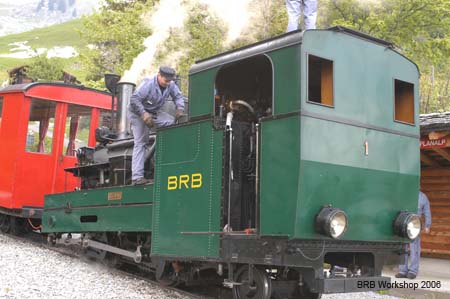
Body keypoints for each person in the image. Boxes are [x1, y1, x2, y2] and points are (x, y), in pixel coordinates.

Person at [128, 66, 185, 185]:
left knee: (171, 123)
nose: (167, 83)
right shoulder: (148, 83)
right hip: (137, 113)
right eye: (166, 80)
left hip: (154, 112)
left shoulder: (170, 84)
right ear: (159, 75)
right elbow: (134, 99)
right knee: (141, 142)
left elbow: (178, 96)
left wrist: (180, 108)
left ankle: (161, 165)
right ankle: (137, 177)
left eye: (169, 81)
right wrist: (143, 114)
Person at [396, 190, 432, 279]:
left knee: (414, 248)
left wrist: (427, 225)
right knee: (402, 247)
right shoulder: (404, 195)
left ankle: (413, 271)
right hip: (403, 223)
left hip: (415, 225)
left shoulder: (422, 196)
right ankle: (402, 270)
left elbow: (427, 212)